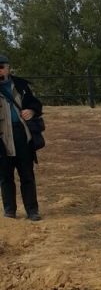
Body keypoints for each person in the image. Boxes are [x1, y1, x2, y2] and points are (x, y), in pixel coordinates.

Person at [0, 55, 43, 221]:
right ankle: (9, 211)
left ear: (8, 67)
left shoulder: (21, 85)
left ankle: (32, 210)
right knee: (5, 176)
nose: (0, 70)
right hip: (2, 139)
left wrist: (31, 111)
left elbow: (36, 104)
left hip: (22, 135)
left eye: (2, 66)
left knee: (27, 174)